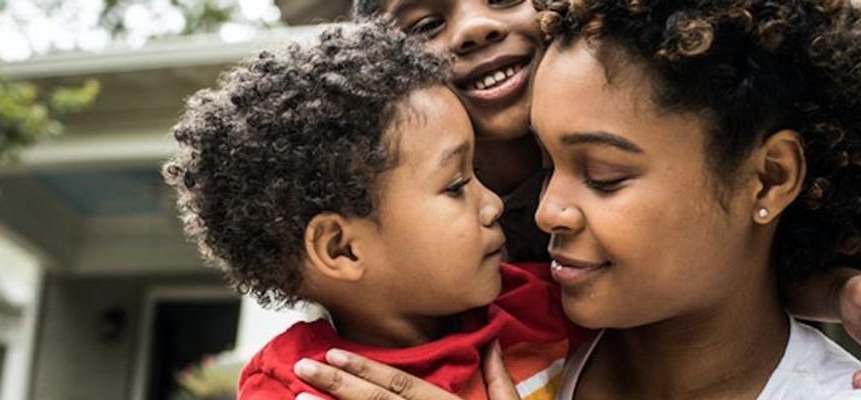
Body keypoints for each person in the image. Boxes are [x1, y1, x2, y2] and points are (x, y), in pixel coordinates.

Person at [292, 0, 861, 398]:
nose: (546, 213)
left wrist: (837, 286)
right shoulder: (517, 325)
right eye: (548, 165)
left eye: (601, 174)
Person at [164, 21, 582, 399]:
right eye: (456, 186)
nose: (492, 204)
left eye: (476, 172)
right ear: (341, 249)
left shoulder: (543, 304)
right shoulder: (296, 387)